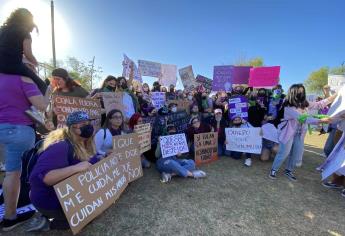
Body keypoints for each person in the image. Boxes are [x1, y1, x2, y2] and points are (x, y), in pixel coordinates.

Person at [27, 111, 99, 231]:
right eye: (83, 124)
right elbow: (45, 178)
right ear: (73, 127)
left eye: (89, 123)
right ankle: (48, 224)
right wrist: (76, 168)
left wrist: (104, 157)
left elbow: (89, 161)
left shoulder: (83, 142)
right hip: (50, 201)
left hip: (67, 196)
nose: (89, 126)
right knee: (89, 215)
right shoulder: (61, 146)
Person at [0, 73, 48, 231]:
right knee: (15, 174)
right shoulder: (22, 78)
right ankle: (10, 218)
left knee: (8, 172)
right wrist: (48, 91)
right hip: (19, 129)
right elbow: (41, 105)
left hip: (2, 128)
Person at [269, 84, 336, 181]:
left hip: (300, 133)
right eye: (299, 92)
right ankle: (274, 169)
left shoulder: (304, 103)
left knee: (296, 153)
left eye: (303, 91)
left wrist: (334, 97)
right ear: (293, 93)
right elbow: (302, 118)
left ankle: (289, 170)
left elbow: (319, 104)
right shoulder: (288, 106)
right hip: (288, 133)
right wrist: (321, 120)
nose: (301, 94)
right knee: (284, 153)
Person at [0, 8, 47, 94]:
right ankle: (36, 106)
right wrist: (35, 63)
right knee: (43, 86)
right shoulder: (25, 32)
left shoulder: (2, 29)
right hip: (12, 65)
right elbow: (28, 53)